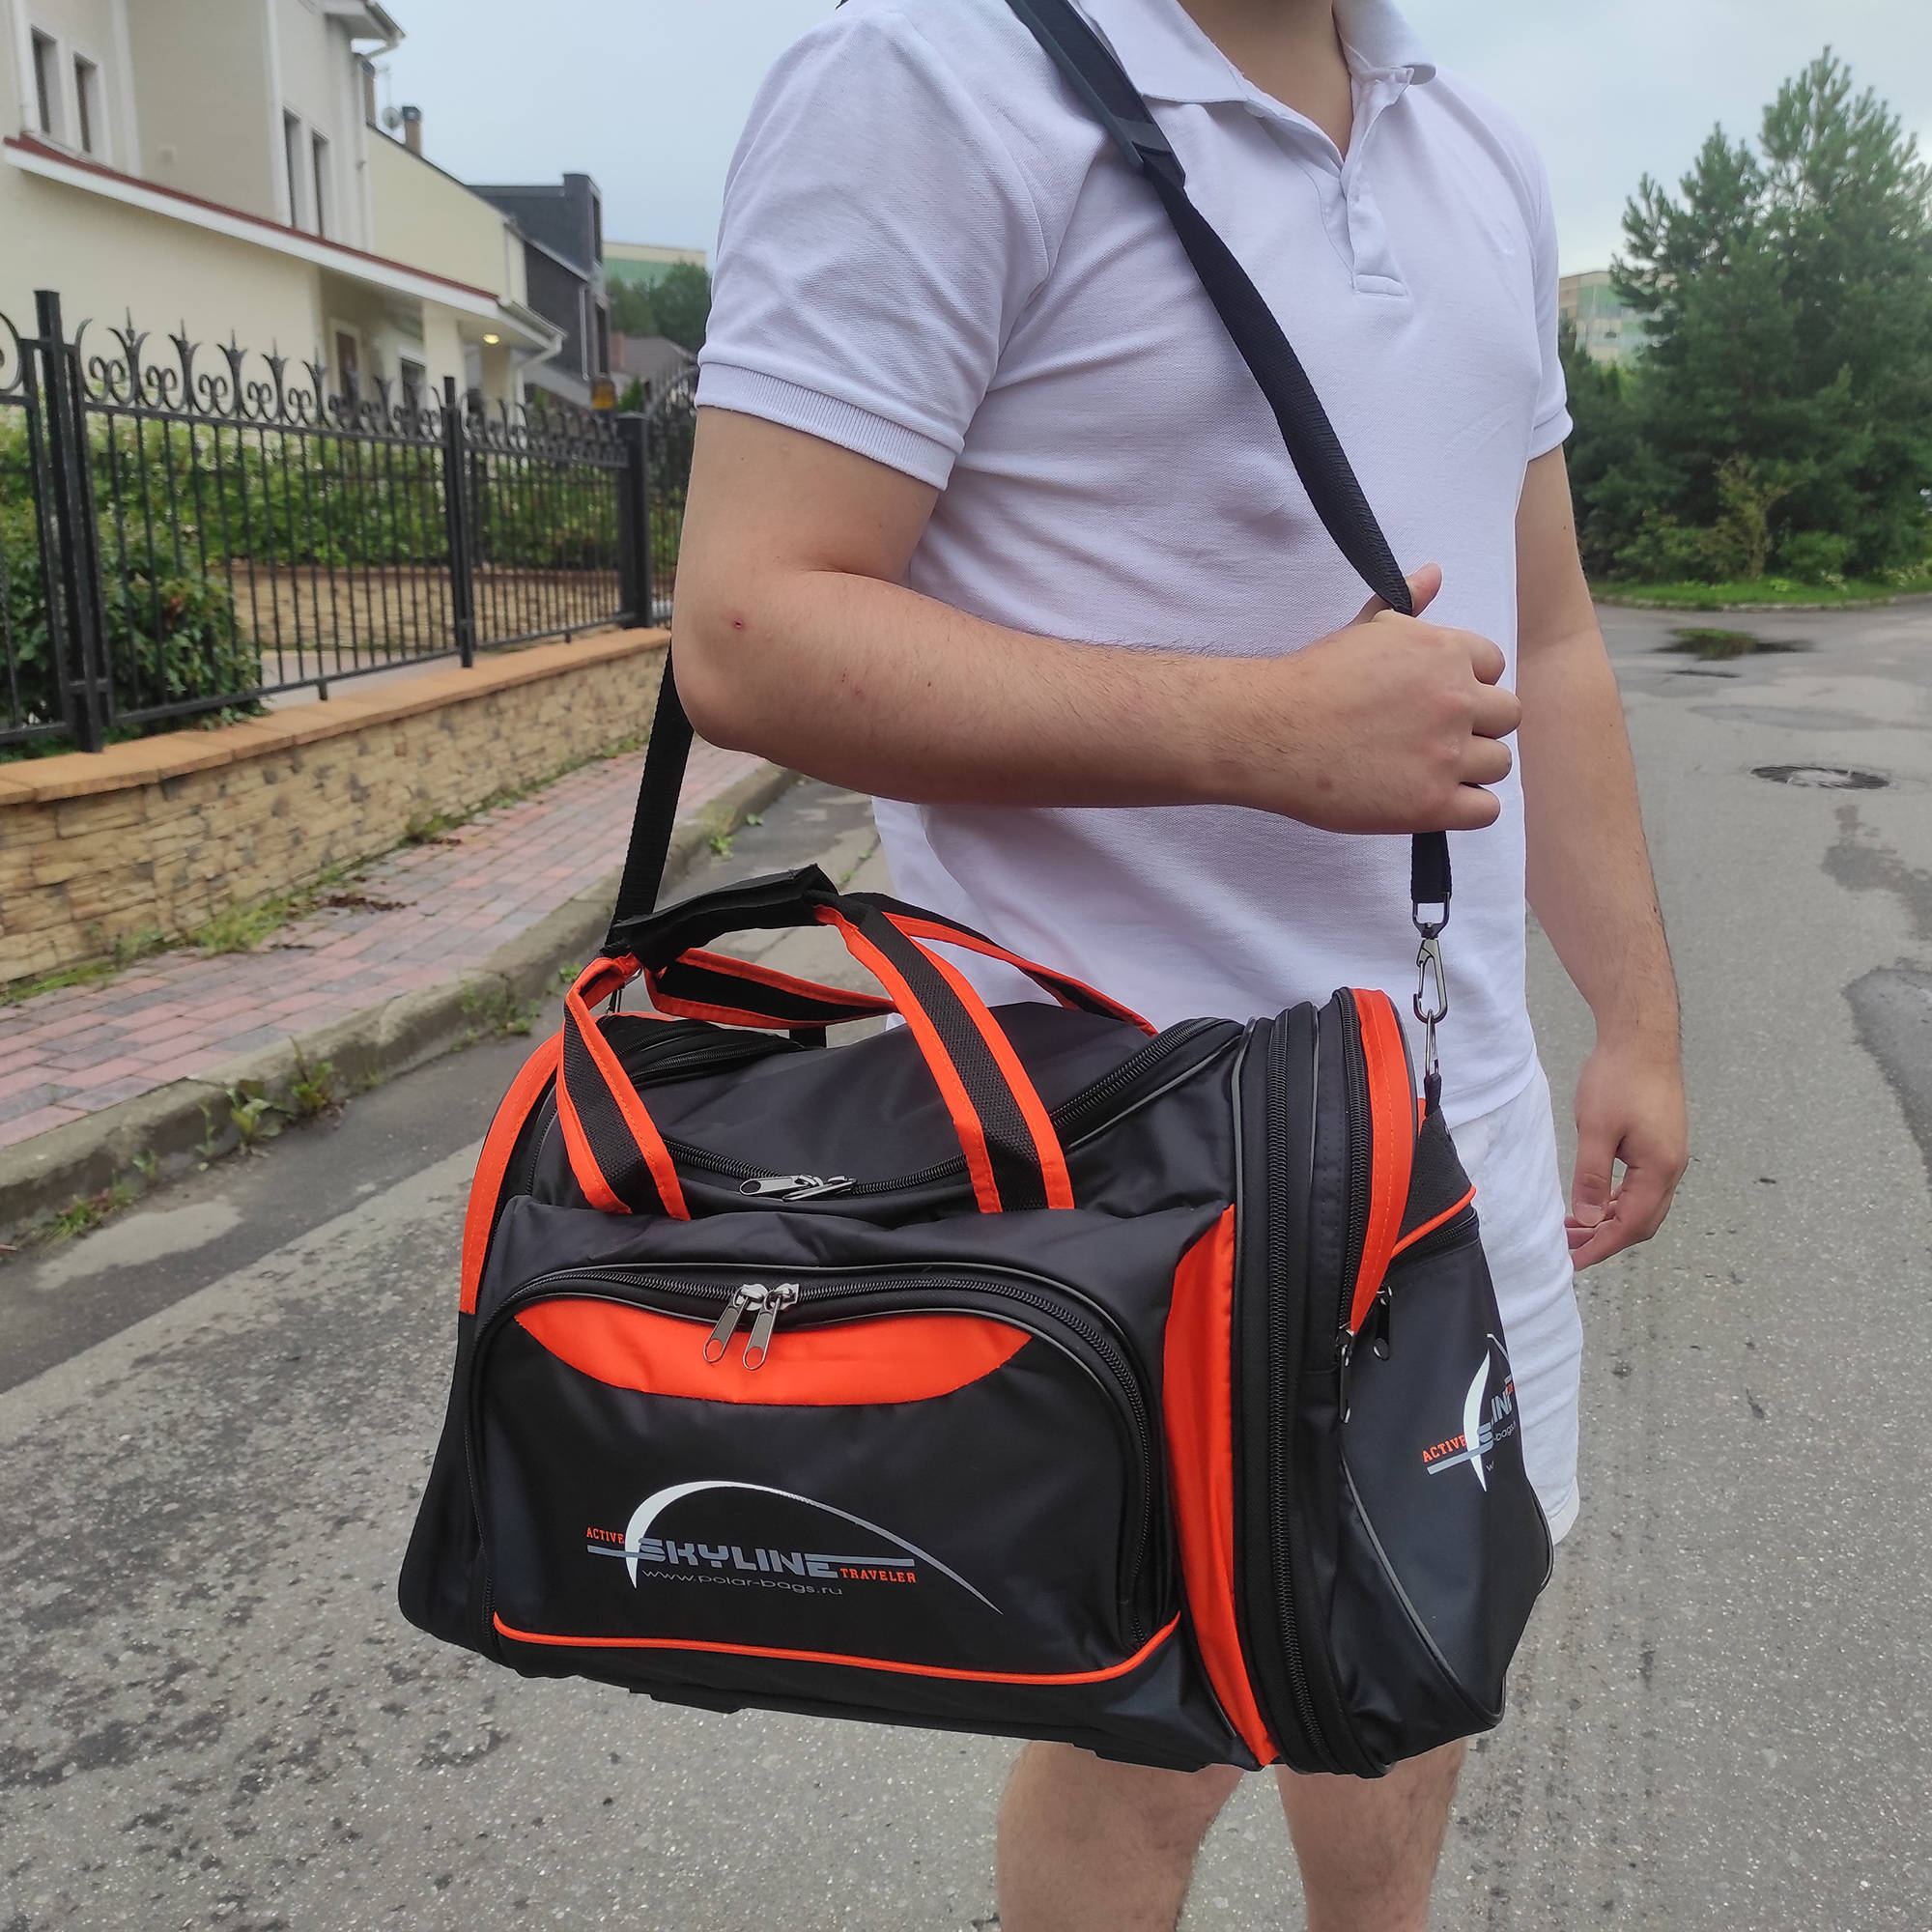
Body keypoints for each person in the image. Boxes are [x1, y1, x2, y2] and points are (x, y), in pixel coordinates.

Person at [671, 0, 1689, 1924]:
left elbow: (1549, 638)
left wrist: (1633, 1012)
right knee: (1148, 1751)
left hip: (1452, 1150)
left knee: (1421, 1654)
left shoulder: (1474, 149)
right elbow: (747, 625)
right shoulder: (928, 77)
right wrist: (1252, 733)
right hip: (1142, 1183)